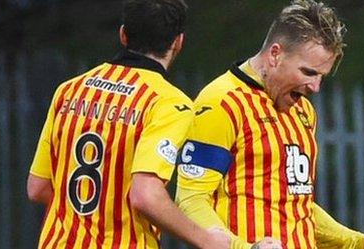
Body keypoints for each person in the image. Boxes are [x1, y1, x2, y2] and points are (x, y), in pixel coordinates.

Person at [174, 0, 364, 249]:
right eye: (308, 73)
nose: (315, 87)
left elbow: (296, 203)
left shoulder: (302, 110)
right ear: (275, 55)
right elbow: (191, 200)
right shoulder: (222, 102)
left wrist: (358, 242)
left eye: (321, 76)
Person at [26, 0, 231, 248]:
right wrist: (205, 239)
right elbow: (146, 195)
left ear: (123, 34)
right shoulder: (167, 103)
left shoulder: (70, 89)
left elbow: (37, 188)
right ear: (178, 42)